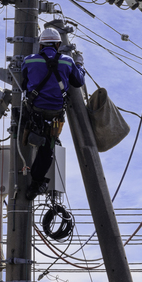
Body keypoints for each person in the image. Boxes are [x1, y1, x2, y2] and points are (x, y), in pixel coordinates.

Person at [21, 27, 85, 200]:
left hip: (34, 111)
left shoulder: (28, 61)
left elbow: (24, 83)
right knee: (47, 149)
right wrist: (79, 63)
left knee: (22, 119)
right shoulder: (67, 61)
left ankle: (22, 138)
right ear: (58, 44)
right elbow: (78, 82)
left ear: (41, 45)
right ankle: (35, 184)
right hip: (54, 114)